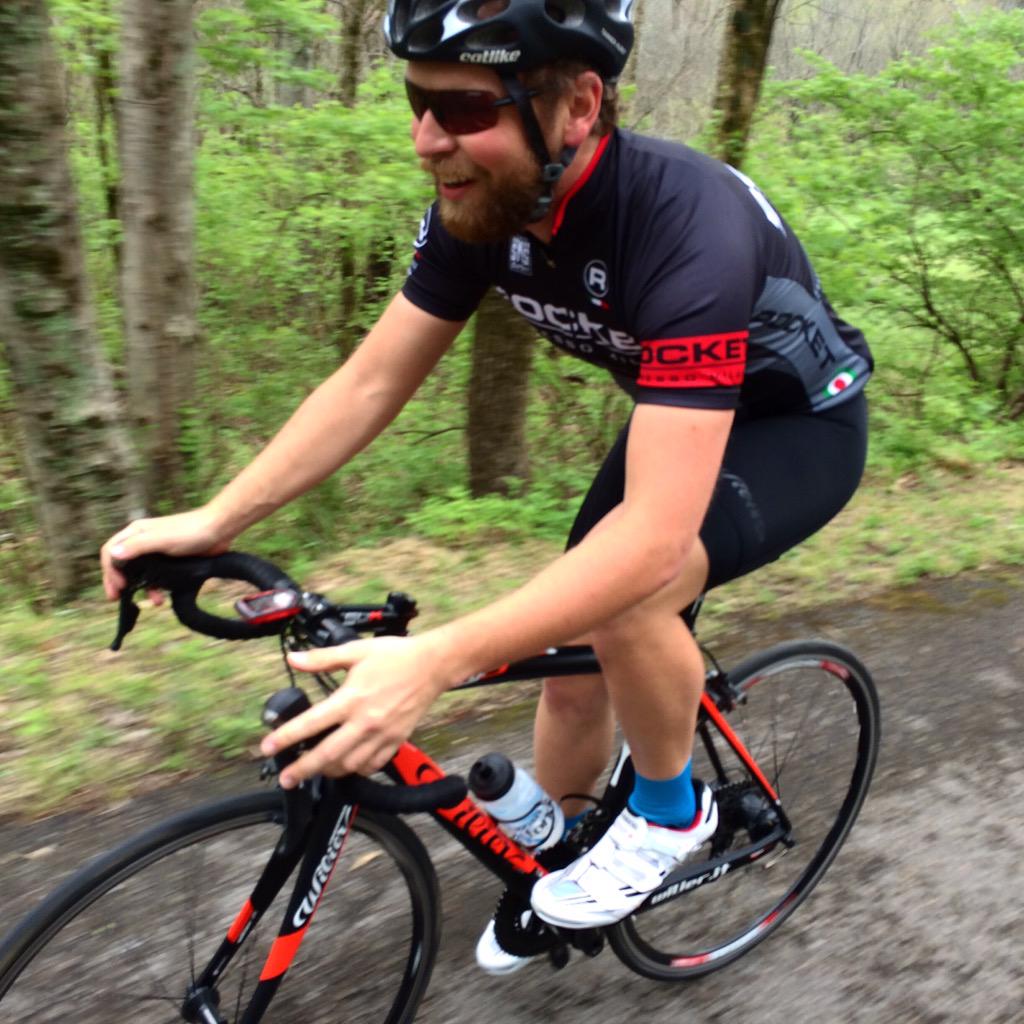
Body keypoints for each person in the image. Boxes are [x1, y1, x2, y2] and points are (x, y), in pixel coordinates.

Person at [101, 0, 871, 977]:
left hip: (796, 426)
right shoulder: (482, 205)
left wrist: (435, 660)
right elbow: (370, 382)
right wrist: (211, 519)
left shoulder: (687, 226)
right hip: (684, 417)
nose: (429, 140)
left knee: (633, 587)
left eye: (463, 106)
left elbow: (647, 542)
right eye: (417, 103)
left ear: (579, 106)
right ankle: (558, 854)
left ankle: (674, 809)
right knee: (568, 649)